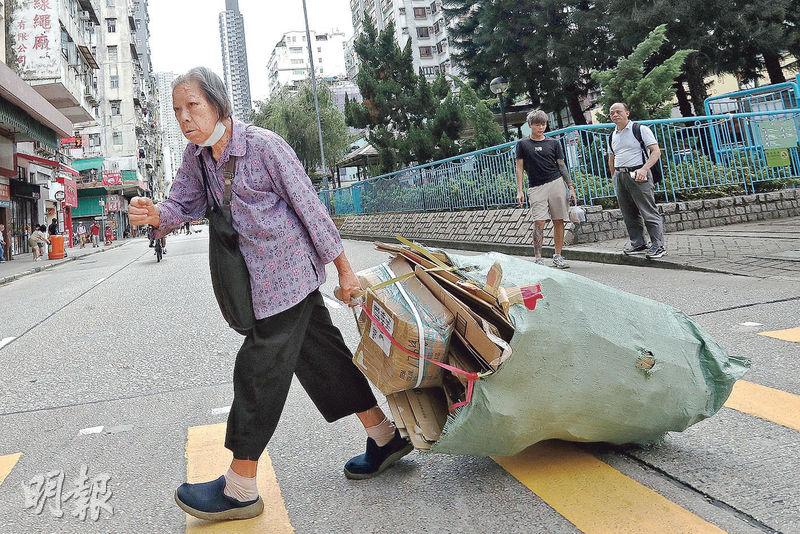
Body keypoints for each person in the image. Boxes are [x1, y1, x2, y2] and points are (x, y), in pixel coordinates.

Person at [127, 67, 410, 522]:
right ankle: (385, 437)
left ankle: (240, 486)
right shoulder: (196, 156)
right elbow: (182, 203)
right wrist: (156, 213)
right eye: (177, 110)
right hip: (256, 284)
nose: (184, 117)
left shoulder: (264, 146)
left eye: (192, 106)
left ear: (218, 104)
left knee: (258, 369)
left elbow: (310, 208)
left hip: (289, 276)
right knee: (324, 358)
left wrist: (344, 269)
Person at [515, 110, 577, 269]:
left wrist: (570, 187)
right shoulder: (522, 144)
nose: (541, 127)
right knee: (539, 222)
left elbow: (561, 165)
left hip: (556, 183)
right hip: (536, 187)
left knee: (559, 220)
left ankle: (558, 256)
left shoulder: (554, 143)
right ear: (530, 125)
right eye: (537, 124)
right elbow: (519, 168)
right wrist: (519, 190)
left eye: (543, 124)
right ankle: (538, 259)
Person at [607, 102, 666, 259]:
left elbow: (655, 151)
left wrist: (644, 169)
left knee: (648, 210)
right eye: (612, 113)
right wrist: (614, 176)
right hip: (621, 176)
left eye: (618, 111)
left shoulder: (640, 129)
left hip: (639, 172)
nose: (615, 115)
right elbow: (612, 157)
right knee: (628, 212)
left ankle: (658, 245)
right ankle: (638, 242)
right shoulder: (612, 135)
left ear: (627, 113)